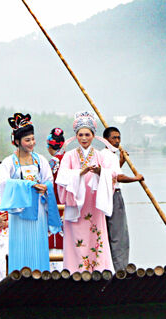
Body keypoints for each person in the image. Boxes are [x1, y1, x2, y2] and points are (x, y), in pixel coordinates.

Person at [0, 113, 62, 273]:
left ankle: (40, 277)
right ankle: (19, 279)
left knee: (38, 244)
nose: (32, 143)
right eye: (27, 140)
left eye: (33, 139)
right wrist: (29, 185)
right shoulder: (8, 162)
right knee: (20, 245)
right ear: (17, 141)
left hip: (38, 210)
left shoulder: (40, 160)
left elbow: (49, 180)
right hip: (19, 211)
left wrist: (45, 186)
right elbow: (5, 185)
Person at [56, 111, 116, 273]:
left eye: (87, 135)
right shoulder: (69, 156)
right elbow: (61, 178)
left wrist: (99, 172)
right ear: (76, 136)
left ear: (93, 135)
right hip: (75, 205)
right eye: (80, 134)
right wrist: (80, 173)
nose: (84, 138)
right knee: (76, 239)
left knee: (95, 236)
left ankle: (98, 270)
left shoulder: (100, 156)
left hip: (94, 205)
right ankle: (75, 271)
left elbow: (112, 175)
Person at [101, 126, 144, 272]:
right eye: (114, 138)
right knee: (119, 235)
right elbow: (117, 177)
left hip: (105, 195)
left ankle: (113, 267)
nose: (117, 141)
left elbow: (111, 174)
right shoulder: (108, 155)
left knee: (111, 233)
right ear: (106, 140)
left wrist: (121, 161)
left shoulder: (104, 155)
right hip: (114, 196)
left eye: (119, 138)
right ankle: (121, 269)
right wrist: (136, 178)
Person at [46, 127, 66, 254]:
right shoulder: (69, 158)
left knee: (54, 235)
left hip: (55, 200)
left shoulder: (53, 162)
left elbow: (48, 183)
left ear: (49, 146)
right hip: (68, 201)